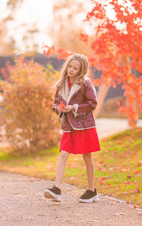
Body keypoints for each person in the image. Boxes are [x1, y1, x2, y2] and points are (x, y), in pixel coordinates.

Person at [44, 53, 101, 203]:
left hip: (84, 125)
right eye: (70, 66)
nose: (71, 70)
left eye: (75, 68)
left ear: (81, 70)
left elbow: (92, 103)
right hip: (68, 126)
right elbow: (56, 103)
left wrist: (74, 107)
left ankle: (91, 191)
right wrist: (60, 109)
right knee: (63, 154)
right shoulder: (61, 83)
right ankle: (56, 189)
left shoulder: (85, 83)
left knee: (86, 156)